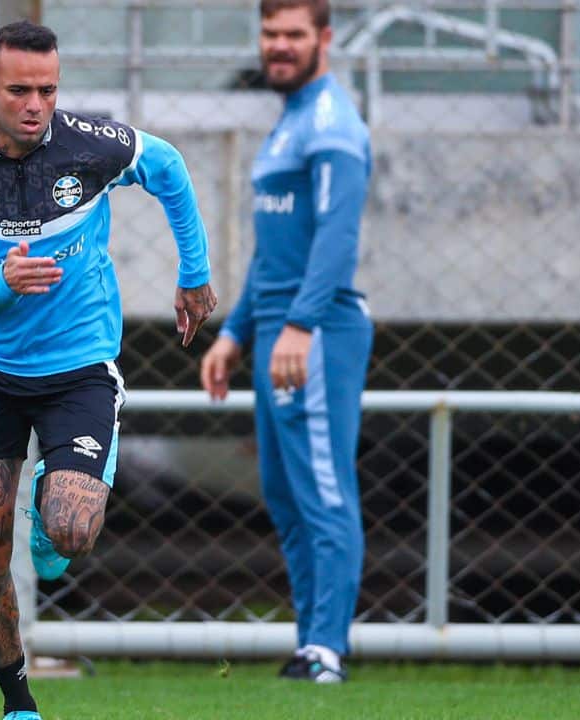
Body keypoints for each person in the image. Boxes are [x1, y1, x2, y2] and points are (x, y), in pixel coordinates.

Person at [0, 20, 218, 720]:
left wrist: (195, 272)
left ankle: (46, 525)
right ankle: (18, 702)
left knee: (69, 529)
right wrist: (4, 282)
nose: (35, 104)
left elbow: (169, 167)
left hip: (76, 368)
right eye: (19, 89)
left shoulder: (93, 144)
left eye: (48, 90)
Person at [200, 0, 373, 684]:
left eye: (293, 35)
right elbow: (276, 255)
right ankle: (310, 643)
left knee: (325, 490)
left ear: (324, 39)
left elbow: (337, 236)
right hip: (277, 330)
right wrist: (237, 333)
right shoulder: (289, 123)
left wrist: (299, 324)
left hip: (319, 330)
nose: (279, 46)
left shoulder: (333, 124)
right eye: (270, 34)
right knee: (285, 490)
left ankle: (327, 651)